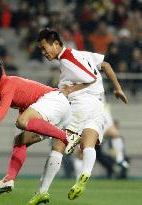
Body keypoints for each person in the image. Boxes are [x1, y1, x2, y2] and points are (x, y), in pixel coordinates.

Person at [27, 28, 128, 205]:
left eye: (45, 48)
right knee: (88, 143)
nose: (43, 52)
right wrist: (118, 88)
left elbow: (90, 78)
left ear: (56, 43)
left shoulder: (66, 59)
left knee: (58, 144)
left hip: (79, 104)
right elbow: (106, 66)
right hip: (98, 105)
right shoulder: (83, 54)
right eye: (41, 49)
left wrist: (69, 90)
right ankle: (85, 174)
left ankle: (42, 191)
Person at [0, 59, 86, 194]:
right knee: (20, 140)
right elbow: (26, 106)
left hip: (54, 100)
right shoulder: (3, 87)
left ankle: (67, 137)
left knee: (21, 121)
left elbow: (2, 109)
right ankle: (9, 179)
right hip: (59, 111)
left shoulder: (7, 83)